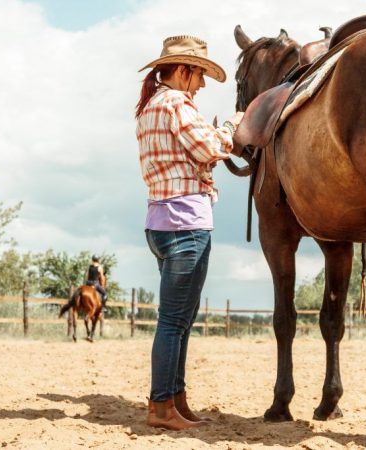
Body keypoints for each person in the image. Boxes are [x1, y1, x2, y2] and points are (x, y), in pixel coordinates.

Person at [136, 35, 244, 431]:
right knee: (174, 321)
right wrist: (233, 124)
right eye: (199, 76)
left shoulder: (149, 108)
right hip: (186, 223)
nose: (200, 86)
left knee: (177, 319)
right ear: (183, 71)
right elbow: (210, 148)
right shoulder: (177, 104)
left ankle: (175, 398)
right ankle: (161, 405)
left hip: (161, 221)